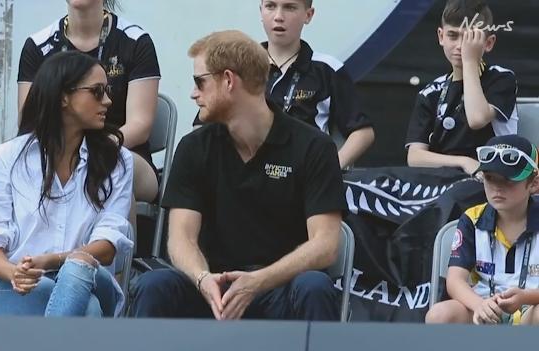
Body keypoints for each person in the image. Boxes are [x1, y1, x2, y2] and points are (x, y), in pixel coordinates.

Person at [130, 30, 346, 321]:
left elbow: (326, 246)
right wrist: (202, 279)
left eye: (200, 82)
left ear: (229, 80)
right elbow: (181, 238)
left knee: (314, 286)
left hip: (279, 286)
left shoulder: (313, 147)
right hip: (213, 288)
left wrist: (257, 283)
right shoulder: (194, 146)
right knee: (155, 285)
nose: (193, 93)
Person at [0, 51, 133, 317]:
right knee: (90, 310)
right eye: (96, 91)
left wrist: (54, 260)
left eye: (107, 90)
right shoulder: (5, 158)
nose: (108, 100)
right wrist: (15, 273)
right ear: (63, 97)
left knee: (78, 269)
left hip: (93, 277)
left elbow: (107, 245)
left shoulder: (116, 159)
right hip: (20, 284)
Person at [193, 0, 374, 169]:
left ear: (308, 15)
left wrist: (329, 169)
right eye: (271, 6)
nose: (278, 16)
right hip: (241, 176)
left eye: (289, 7)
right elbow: (201, 126)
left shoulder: (327, 69)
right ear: (261, 11)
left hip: (303, 176)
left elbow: (363, 132)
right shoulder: (235, 66)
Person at [18, 0, 160, 203]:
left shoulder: (136, 41)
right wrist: (67, 152)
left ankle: (112, 235)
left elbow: (140, 125)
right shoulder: (38, 45)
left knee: (109, 167)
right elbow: (30, 121)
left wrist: (89, 150)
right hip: (55, 151)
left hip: (121, 149)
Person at [426, 135, 539, 325]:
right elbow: (455, 280)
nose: (497, 188)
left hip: (531, 307)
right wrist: (479, 305)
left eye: (508, 180)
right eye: (490, 178)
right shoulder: (471, 218)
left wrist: (525, 298)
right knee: (439, 315)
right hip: (484, 306)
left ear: (534, 184)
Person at [406, 0, 518, 174]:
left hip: (490, 177)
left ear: (488, 43)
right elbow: (415, 157)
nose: (460, 46)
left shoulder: (501, 78)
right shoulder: (431, 92)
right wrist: (463, 162)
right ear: (441, 36)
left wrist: (470, 62)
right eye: (453, 35)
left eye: (470, 37)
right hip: (440, 179)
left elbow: (477, 119)